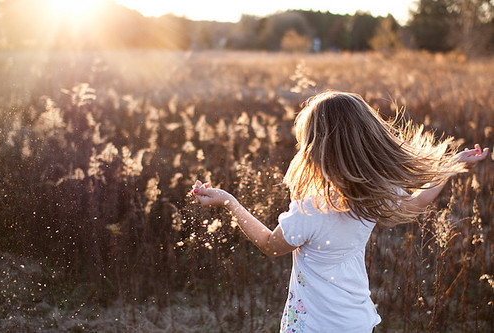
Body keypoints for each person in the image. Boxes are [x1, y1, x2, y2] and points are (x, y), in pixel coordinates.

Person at [192, 91, 489, 332]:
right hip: (357, 322)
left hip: (311, 327)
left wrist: (228, 201)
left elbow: (271, 246)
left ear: (316, 149)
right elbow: (415, 203)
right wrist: (450, 169)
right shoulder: (374, 195)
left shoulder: (311, 210)